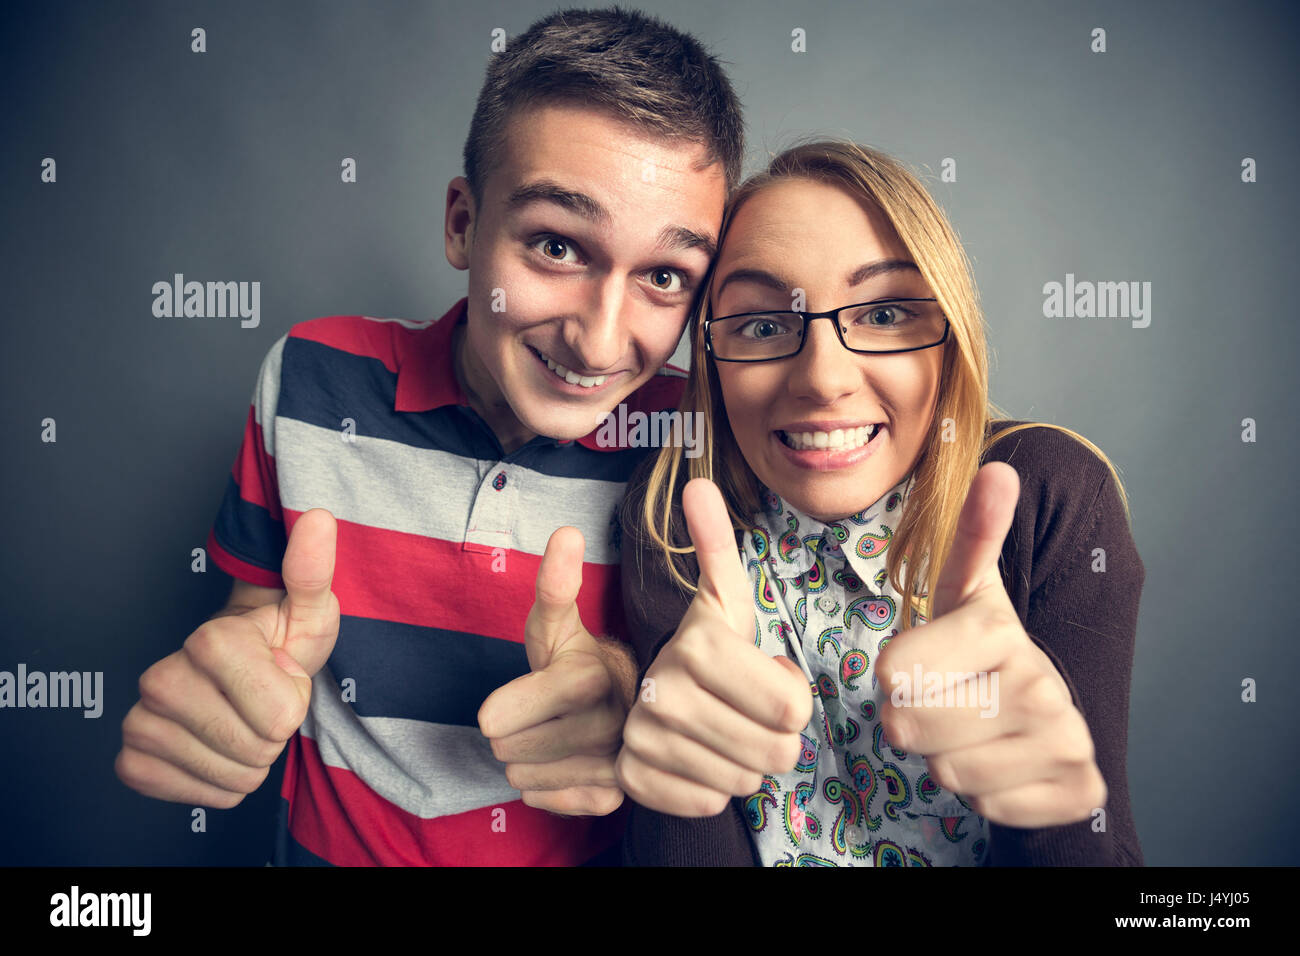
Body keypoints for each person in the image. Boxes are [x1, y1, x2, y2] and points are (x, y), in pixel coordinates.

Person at [114, 7, 743, 866]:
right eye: (557, 245)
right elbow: (260, 617)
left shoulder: (697, 439)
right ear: (462, 225)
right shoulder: (308, 379)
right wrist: (231, 682)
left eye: (664, 277)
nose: (600, 341)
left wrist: (633, 697)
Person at [615, 140, 1145, 866]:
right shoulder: (674, 523)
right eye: (764, 325)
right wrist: (681, 785)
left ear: (950, 336)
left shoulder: (1048, 499)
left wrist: (1050, 805)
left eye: (887, 313)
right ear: (710, 356)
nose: (824, 380)